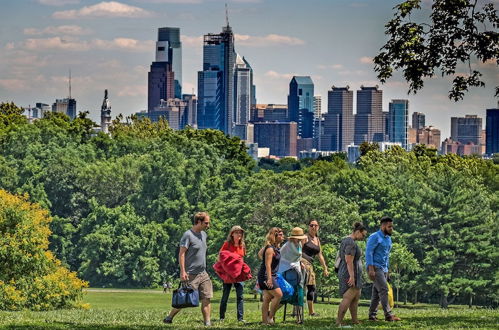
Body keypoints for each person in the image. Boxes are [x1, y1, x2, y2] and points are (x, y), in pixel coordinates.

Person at [163, 212, 213, 326]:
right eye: (206, 223)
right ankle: (169, 317)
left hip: (203, 273)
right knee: (185, 300)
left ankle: (207, 323)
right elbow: (181, 254)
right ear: (198, 222)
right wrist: (183, 271)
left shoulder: (204, 235)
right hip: (191, 273)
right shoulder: (188, 235)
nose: (208, 225)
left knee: (207, 297)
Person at [365, 216, 401, 322]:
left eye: (392, 227)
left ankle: (372, 316)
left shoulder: (388, 239)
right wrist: (371, 269)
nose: (391, 229)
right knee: (384, 289)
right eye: (389, 227)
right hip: (375, 267)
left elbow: (386, 255)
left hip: (383, 268)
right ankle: (388, 315)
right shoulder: (374, 237)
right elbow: (369, 253)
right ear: (383, 226)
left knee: (376, 293)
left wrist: (388, 270)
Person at [336, 222, 368, 326]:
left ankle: (355, 320)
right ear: (358, 232)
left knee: (355, 297)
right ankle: (339, 322)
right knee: (348, 297)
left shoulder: (347, 240)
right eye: (363, 235)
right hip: (349, 273)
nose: (363, 237)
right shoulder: (350, 243)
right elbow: (348, 260)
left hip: (352, 273)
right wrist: (352, 276)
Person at [278, 227, 308, 324]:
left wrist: (300, 263)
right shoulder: (287, 246)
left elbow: (298, 257)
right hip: (286, 270)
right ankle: (271, 312)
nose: (299, 239)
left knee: (299, 292)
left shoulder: (299, 244)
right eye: (298, 237)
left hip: (296, 271)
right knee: (286, 293)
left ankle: (299, 318)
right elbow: (279, 257)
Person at [218, 226, 247, 322]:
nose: (239, 234)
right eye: (237, 232)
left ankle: (240, 318)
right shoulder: (227, 244)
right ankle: (222, 317)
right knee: (225, 296)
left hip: (239, 275)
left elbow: (241, 259)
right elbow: (221, 257)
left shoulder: (242, 245)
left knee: (240, 297)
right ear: (232, 234)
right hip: (228, 274)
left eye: (240, 233)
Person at [301, 219, 329, 316]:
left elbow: (319, 255)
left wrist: (325, 267)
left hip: (310, 264)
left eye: (315, 225)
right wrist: (299, 262)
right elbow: (298, 251)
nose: (313, 227)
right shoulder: (305, 237)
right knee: (303, 287)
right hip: (303, 263)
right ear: (308, 227)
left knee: (311, 287)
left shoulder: (317, 240)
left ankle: (311, 312)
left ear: (318, 227)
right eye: (311, 225)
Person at [258, 227, 284, 325]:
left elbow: (260, 254)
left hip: (270, 275)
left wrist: (264, 257)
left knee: (267, 298)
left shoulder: (275, 248)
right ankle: (270, 317)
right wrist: (269, 278)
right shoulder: (270, 249)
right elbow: (267, 265)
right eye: (280, 235)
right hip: (266, 276)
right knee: (279, 294)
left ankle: (265, 322)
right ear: (275, 236)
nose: (283, 236)